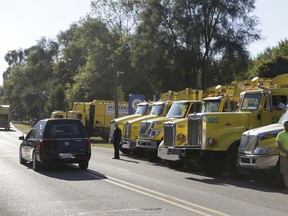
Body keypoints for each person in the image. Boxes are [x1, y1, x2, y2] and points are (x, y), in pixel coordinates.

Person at [276, 121, 288, 191]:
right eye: (285, 125)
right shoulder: (280, 134)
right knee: (285, 171)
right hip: (284, 156)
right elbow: (279, 146)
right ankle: (286, 186)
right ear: (283, 126)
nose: (287, 127)